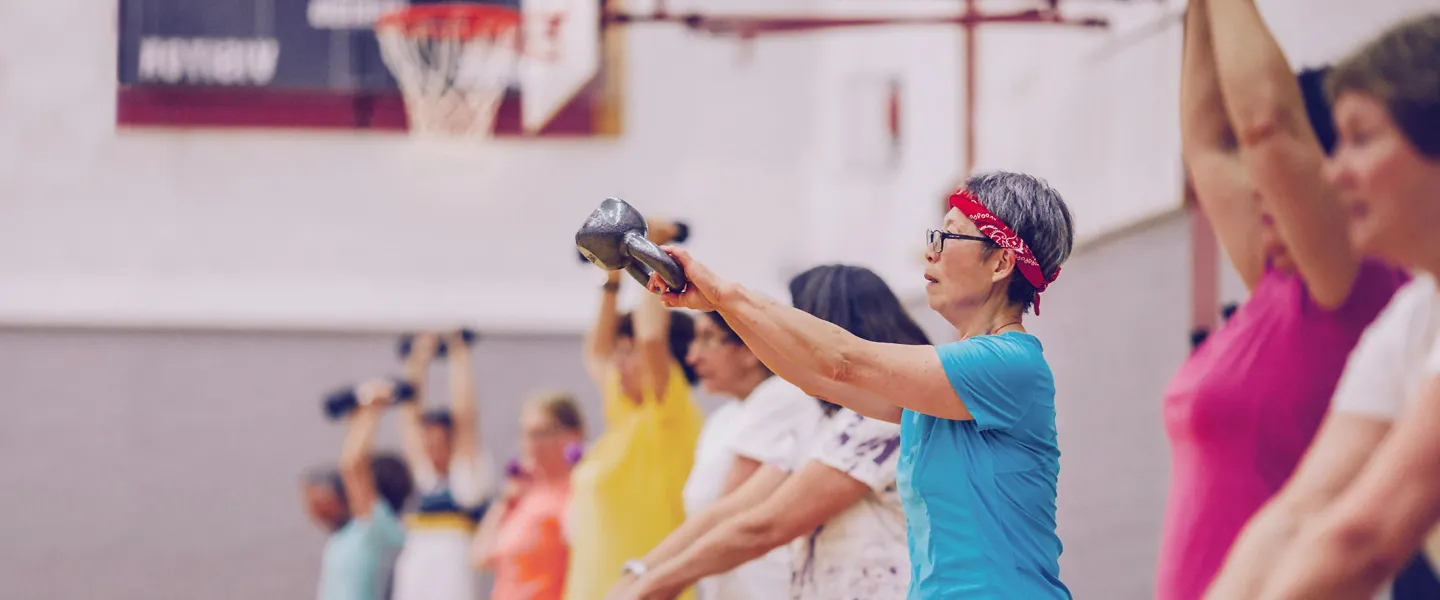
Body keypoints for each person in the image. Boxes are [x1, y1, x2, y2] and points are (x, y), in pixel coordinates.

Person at [650, 170, 1075, 598]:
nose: (931, 252)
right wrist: (723, 308)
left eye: (951, 237)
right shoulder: (940, 390)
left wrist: (726, 294)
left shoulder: (1008, 364)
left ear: (1001, 262)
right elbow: (814, 377)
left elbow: (841, 360)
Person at [1162, 1, 1410, 598]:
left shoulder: (1355, 284)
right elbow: (1208, 147)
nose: (1256, 188)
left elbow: (1264, 124)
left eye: (1271, 177)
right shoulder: (1276, 286)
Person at [608, 264, 927, 600]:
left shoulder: (885, 417)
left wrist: (650, 586)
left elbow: (766, 525)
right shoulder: (824, 417)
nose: (787, 334)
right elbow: (736, 509)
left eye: (797, 321)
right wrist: (639, 573)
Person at [565, 218, 706, 600]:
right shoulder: (624, 416)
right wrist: (612, 274)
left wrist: (651, 251)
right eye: (621, 352)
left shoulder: (669, 413)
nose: (619, 363)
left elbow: (650, 337)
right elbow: (597, 350)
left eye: (630, 355)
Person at [679, 310, 826, 599]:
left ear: (749, 350)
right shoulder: (722, 419)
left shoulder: (781, 395)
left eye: (708, 340)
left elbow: (728, 510)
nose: (693, 357)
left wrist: (649, 576)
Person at [392, 331, 498, 600]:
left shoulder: (467, 479)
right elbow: (409, 417)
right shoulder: (425, 478)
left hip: (453, 583)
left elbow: (466, 417)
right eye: (428, 443)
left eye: (440, 442)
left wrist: (458, 352)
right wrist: (417, 360)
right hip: (415, 577)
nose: (432, 449)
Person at [302, 379, 415, 600]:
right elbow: (354, 463)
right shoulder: (353, 532)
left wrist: (373, 407)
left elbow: (352, 465)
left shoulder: (379, 529)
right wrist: (359, 416)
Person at [472, 391, 587, 600]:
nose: (532, 443)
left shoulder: (579, 491)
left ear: (574, 434)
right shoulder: (523, 495)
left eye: (542, 433)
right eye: (526, 434)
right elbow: (481, 556)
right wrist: (504, 501)